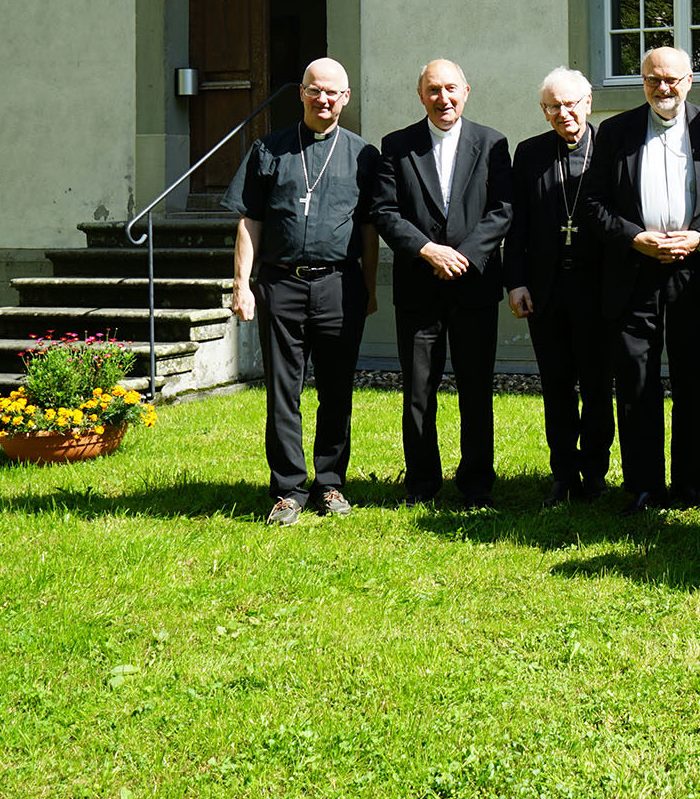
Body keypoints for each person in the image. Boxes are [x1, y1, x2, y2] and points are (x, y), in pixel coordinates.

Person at [580, 46, 700, 514]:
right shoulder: (615, 131)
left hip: (695, 272)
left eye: (672, 80)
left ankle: (690, 483)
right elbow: (593, 204)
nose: (663, 89)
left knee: (692, 382)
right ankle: (644, 484)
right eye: (653, 80)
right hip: (633, 273)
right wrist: (634, 238)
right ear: (642, 82)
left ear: (690, 80)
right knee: (636, 382)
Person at [225, 57, 380, 526]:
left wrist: (368, 290)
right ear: (302, 93)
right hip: (280, 283)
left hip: (339, 283)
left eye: (333, 92)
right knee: (282, 390)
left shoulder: (363, 155)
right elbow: (249, 220)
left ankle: (330, 484)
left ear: (346, 97)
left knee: (336, 390)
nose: (324, 99)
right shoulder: (268, 150)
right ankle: (288, 489)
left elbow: (370, 229)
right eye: (315, 90)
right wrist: (242, 285)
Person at [371, 59, 514, 509]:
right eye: (433, 90)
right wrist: (427, 250)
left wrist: (465, 255)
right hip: (419, 285)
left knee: (476, 387)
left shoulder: (492, 143)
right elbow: (384, 211)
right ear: (420, 95)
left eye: (451, 89)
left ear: (467, 91)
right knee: (418, 391)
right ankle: (421, 484)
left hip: (474, 285)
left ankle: (476, 485)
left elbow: (503, 208)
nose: (443, 98)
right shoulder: (396, 145)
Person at [503, 67, 615, 506]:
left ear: (589, 102)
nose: (564, 113)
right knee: (556, 385)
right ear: (544, 110)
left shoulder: (609, 148)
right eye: (553, 106)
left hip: (598, 289)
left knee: (597, 384)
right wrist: (515, 282)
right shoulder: (530, 154)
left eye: (571, 103)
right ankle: (563, 474)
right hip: (546, 289)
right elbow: (518, 226)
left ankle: (596, 473)